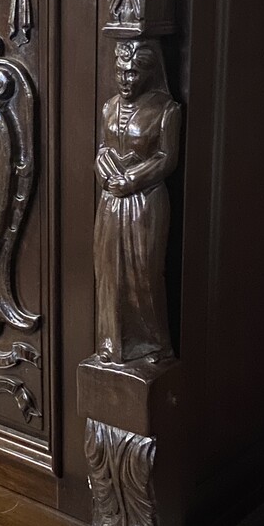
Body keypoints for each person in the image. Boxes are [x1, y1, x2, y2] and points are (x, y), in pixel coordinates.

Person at [94, 37, 180, 364]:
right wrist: (104, 170)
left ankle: (153, 343)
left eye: (132, 73)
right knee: (109, 271)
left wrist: (132, 178)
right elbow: (103, 148)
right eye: (121, 72)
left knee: (143, 273)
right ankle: (113, 343)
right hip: (111, 201)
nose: (125, 79)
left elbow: (166, 158)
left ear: (148, 72)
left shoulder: (166, 110)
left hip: (144, 203)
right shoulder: (109, 107)